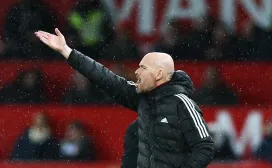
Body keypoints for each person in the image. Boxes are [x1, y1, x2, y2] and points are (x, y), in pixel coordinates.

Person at [35, 28, 215, 168]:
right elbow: (105, 77)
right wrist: (67, 51)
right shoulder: (141, 97)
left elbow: (205, 147)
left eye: (143, 68)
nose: (137, 71)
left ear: (159, 74)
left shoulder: (182, 103)